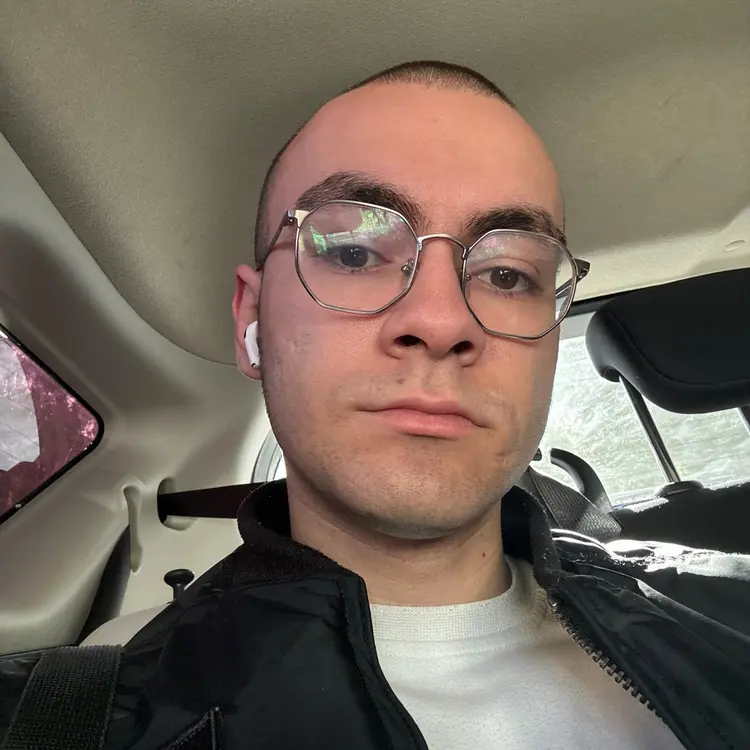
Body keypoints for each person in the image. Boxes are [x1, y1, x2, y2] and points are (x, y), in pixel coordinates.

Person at [1, 60, 749, 750]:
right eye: (354, 252)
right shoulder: (54, 724)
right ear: (252, 321)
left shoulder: (729, 615)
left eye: (508, 274)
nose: (443, 320)